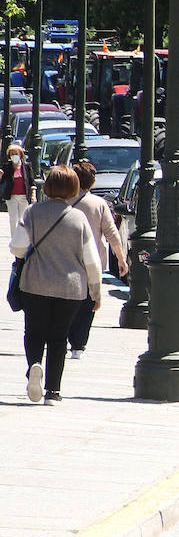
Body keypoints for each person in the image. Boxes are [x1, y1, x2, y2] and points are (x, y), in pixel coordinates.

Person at [10, 165, 101, 405]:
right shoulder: (79, 218)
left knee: (33, 331)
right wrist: (96, 291)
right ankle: (53, 392)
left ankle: (34, 367)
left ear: (48, 187)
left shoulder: (32, 212)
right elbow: (92, 260)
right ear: (74, 189)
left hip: (34, 284)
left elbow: (18, 248)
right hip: (70, 288)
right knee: (59, 337)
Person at [67, 160, 128, 359]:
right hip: (92, 262)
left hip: (66, 260)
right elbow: (112, 234)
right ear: (92, 182)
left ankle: (67, 336)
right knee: (88, 303)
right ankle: (78, 345)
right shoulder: (99, 204)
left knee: (67, 301)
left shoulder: (64, 201)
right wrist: (121, 258)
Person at [2, 143, 34, 239]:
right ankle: (14, 239)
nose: (14, 156)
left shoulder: (27, 166)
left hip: (24, 196)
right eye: (12, 154)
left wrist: (33, 195)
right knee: (13, 218)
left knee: (23, 218)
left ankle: (23, 238)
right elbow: (3, 181)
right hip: (11, 197)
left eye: (16, 153)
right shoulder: (7, 167)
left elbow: (32, 182)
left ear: (20, 154)